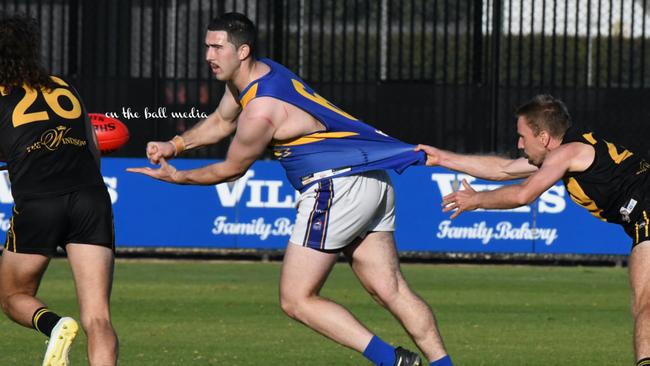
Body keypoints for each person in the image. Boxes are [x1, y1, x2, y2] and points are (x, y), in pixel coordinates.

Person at [128, 12, 453, 366]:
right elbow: (221, 121)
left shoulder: (261, 113)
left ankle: (392, 361)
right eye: (207, 46)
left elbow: (231, 169)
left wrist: (178, 177)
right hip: (372, 179)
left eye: (217, 47)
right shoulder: (263, 72)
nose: (208, 55)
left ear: (242, 51)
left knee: (296, 299)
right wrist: (175, 145)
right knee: (390, 288)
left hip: (334, 185)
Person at [417, 94, 650, 365]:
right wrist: (443, 158)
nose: (519, 143)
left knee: (645, 301)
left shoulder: (567, 153)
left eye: (522, 136)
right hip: (641, 212)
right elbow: (502, 170)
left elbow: (523, 195)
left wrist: (476, 200)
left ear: (543, 138)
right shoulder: (569, 150)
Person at [0, 13, 118, 366]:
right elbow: (92, 150)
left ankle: (54, 325)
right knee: (99, 318)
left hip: (39, 202)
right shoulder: (63, 86)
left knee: (12, 296)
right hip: (90, 197)